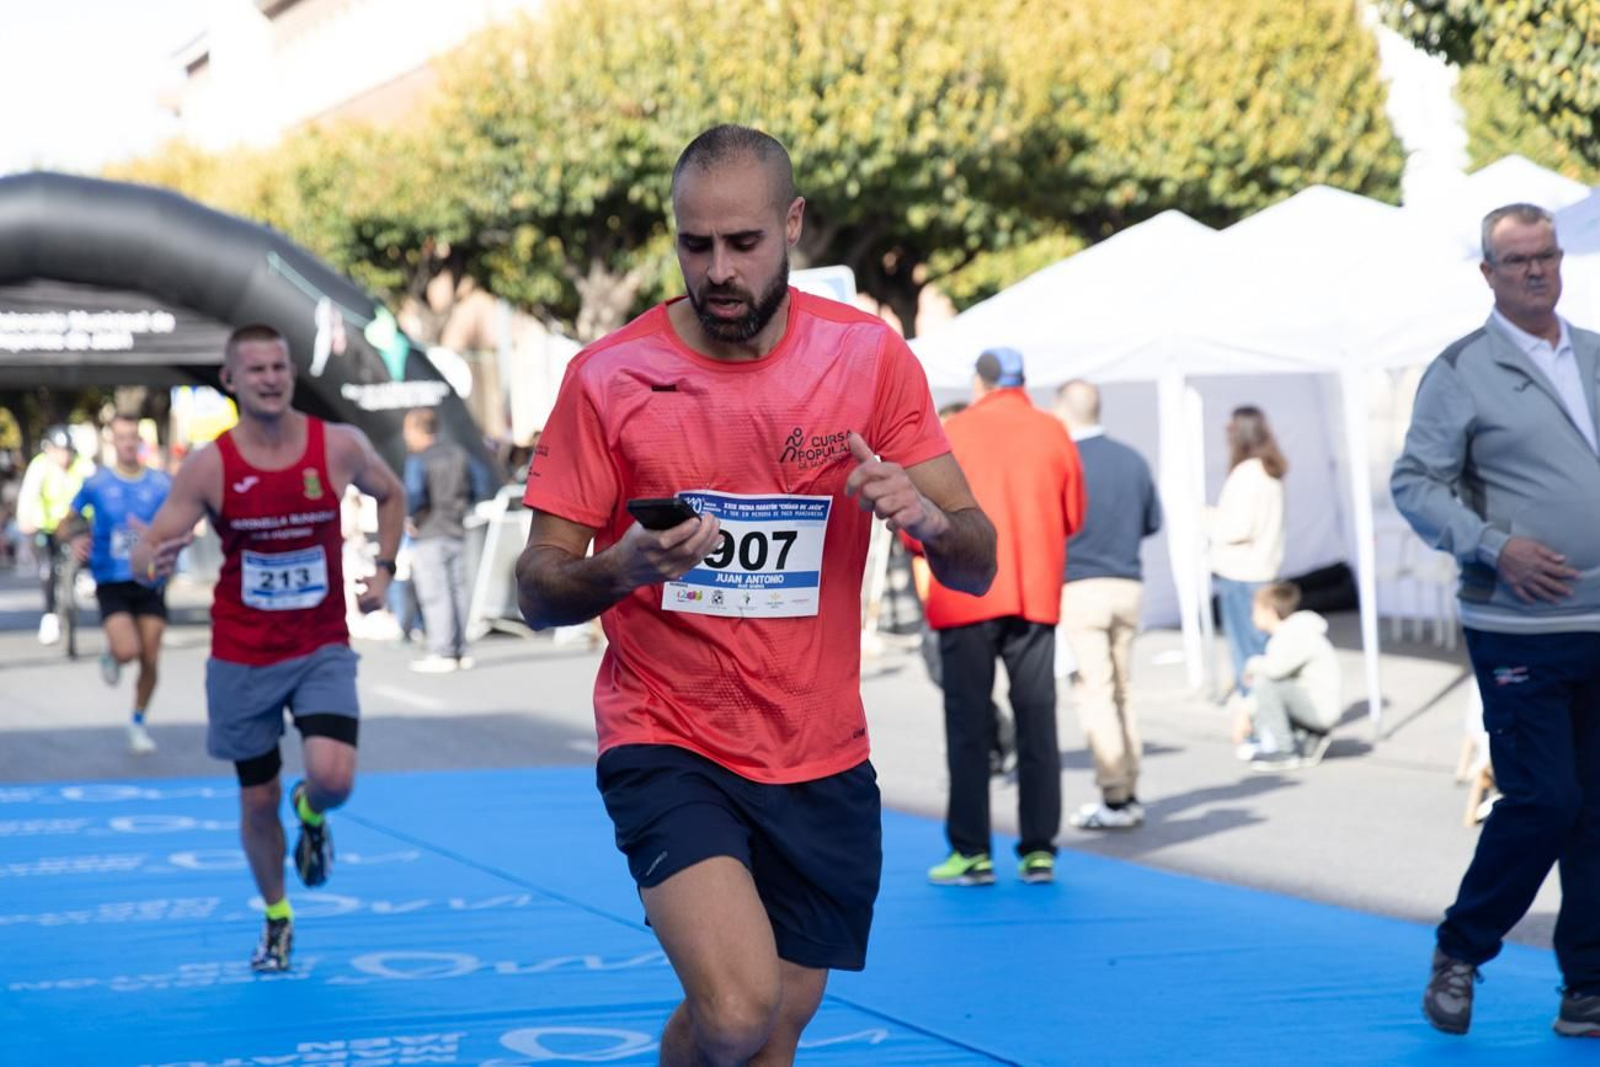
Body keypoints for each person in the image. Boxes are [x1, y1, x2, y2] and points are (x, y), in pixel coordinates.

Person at [516, 124, 995, 1066]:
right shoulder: (609, 377)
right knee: (738, 1010)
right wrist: (621, 568)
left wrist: (930, 523)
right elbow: (536, 587)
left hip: (819, 751)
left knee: (769, 1027)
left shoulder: (868, 359)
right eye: (696, 245)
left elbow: (978, 559)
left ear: (794, 225)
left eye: (744, 243)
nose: (718, 270)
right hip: (667, 734)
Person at [130, 323, 404, 974]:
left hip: (320, 645)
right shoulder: (210, 464)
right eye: (255, 369)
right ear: (230, 381)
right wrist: (150, 560)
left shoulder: (338, 445)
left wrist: (385, 568)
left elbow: (390, 494)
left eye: (279, 366)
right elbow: (150, 548)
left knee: (334, 779)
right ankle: (277, 917)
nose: (271, 377)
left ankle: (311, 809)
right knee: (256, 800)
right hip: (243, 654)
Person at [1394, 202, 1600, 1038]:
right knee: (1546, 799)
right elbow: (1415, 483)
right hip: (1518, 623)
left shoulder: (1592, 354)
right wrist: (1492, 544)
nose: (1536, 270)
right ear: (1488, 272)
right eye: (1516, 260)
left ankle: (1587, 984)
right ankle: (1462, 947)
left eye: (1545, 254)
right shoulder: (1461, 369)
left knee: (1597, 809)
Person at [918, 346, 1085, 888]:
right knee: (1037, 720)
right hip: (1034, 593)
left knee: (969, 726)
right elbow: (1073, 515)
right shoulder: (1052, 431)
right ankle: (1039, 850)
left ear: (980, 382)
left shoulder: (954, 432)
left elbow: (919, 522)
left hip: (965, 593)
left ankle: (972, 852)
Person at [1054, 380, 1162, 830]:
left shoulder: (1063, 462)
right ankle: (1129, 787)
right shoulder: (1131, 458)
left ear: (1064, 410)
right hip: (1127, 583)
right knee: (1123, 690)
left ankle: (1114, 795)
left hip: (1081, 586)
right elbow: (1151, 521)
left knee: (1094, 692)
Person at [67, 414, 173, 755]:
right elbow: (67, 521)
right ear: (113, 442)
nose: (128, 443)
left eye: (133, 437)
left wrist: (164, 539)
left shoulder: (160, 484)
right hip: (111, 579)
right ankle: (113, 653)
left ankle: (137, 723)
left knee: (151, 657)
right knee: (130, 651)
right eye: (122, 437)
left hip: (150, 579)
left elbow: (180, 522)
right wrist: (74, 539)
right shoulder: (96, 483)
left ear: (140, 442)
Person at [1205, 406, 1287, 702]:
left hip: (1241, 575)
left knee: (1247, 653)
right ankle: (1270, 714)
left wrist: (1206, 517)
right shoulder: (1270, 471)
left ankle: (1257, 718)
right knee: (1264, 649)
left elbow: (1236, 528)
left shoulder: (1247, 473)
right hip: (1264, 570)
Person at [402, 407, 492, 672]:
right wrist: (462, 506)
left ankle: (441, 651)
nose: (406, 436)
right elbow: (481, 483)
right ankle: (461, 649)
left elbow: (415, 494)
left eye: (408, 430)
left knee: (434, 593)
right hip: (456, 527)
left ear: (418, 430)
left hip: (429, 530)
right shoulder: (458, 453)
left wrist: (412, 519)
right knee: (458, 591)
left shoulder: (418, 459)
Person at [1233, 582, 1339, 773]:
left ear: (1270, 612)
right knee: (1264, 689)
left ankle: (1284, 750)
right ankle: (1310, 737)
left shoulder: (1296, 635)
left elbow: (1273, 672)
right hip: (1313, 705)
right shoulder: (1289, 634)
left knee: (1265, 684)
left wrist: (1251, 666)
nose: (1252, 617)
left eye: (1255, 611)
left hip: (1320, 709)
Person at [15, 424, 93, 644]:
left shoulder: (82, 466)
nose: (64, 456)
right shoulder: (40, 467)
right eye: (59, 450)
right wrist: (26, 519)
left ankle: (86, 575)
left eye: (67, 450)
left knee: (90, 541)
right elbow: (28, 496)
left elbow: (96, 491)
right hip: (47, 526)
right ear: (49, 450)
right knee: (47, 567)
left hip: (76, 524)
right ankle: (49, 616)